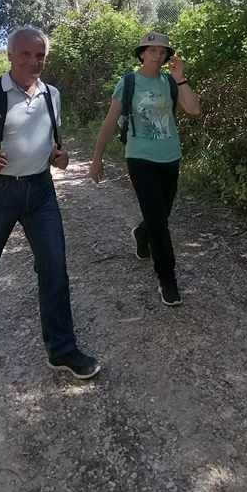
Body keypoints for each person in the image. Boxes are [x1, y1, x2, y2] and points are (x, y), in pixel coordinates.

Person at [0, 26, 100, 380]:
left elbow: (50, 143)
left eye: (40, 55)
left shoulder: (51, 95)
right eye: (26, 54)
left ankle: (62, 349)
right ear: (10, 56)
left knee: (54, 266)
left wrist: (58, 157)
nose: (34, 62)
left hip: (41, 190)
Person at [89, 31, 200, 307]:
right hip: (140, 158)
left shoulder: (169, 82)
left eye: (162, 51)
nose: (158, 55)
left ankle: (142, 232)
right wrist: (97, 157)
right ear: (142, 53)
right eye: (152, 50)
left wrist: (180, 78)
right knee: (159, 222)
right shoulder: (128, 83)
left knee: (160, 214)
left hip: (170, 157)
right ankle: (167, 279)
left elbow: (194, 110)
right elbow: (110, 121)